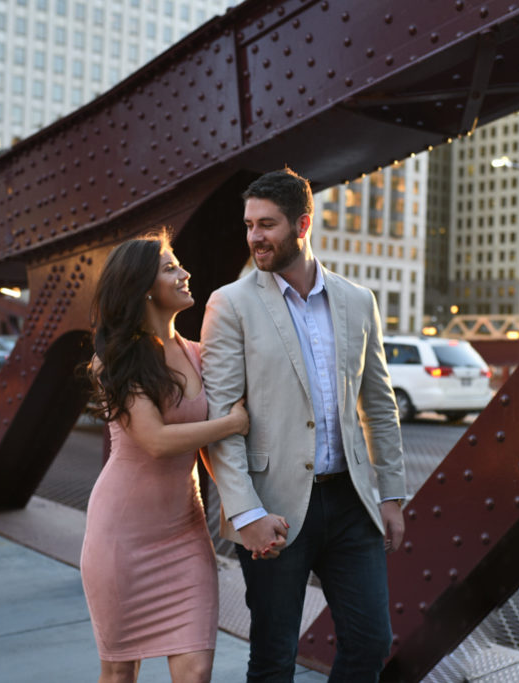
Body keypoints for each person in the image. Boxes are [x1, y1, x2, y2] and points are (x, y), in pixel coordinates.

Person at [200, 168, 407, 682]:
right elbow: (222, 419)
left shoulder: (359, 301)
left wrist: (392, 494)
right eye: (249, 225)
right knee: (273, 656)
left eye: (267, 224)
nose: (254, 237)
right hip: (274, 507)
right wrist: (244, 512)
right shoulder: (231, 303)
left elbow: (378, 403)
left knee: (370, 642)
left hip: (352, 504)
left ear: (303, 223)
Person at [80, 230, 253, 683]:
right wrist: (231, 424)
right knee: (119, 673)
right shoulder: (114, 360)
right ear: (142, 286)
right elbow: (154, 440)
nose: (185, 273)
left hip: (183, 532)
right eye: (170, 267)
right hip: (122, 537)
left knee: (196, 672)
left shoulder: (199, 355)